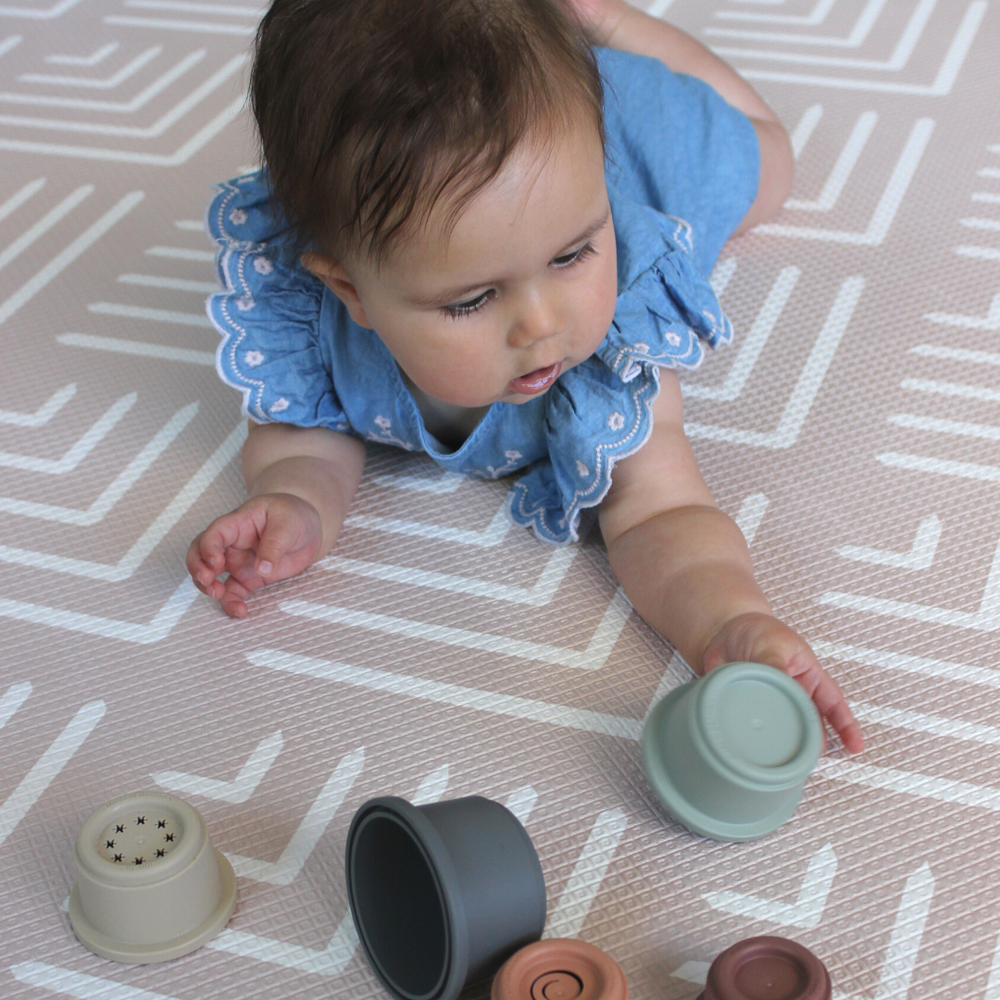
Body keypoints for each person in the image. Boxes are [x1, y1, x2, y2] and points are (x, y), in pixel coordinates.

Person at [187, 0, 864, 753]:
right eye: (473, 299)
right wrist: (296, 500)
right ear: (350, 290)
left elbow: (659, 516)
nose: (544, 325)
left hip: (646, 143)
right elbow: (302, 437)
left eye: (573, 257)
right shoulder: (313, 322)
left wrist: (728, 618)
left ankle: (602, 21)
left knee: (769, 163)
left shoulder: (615, 352)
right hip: (545, 163)